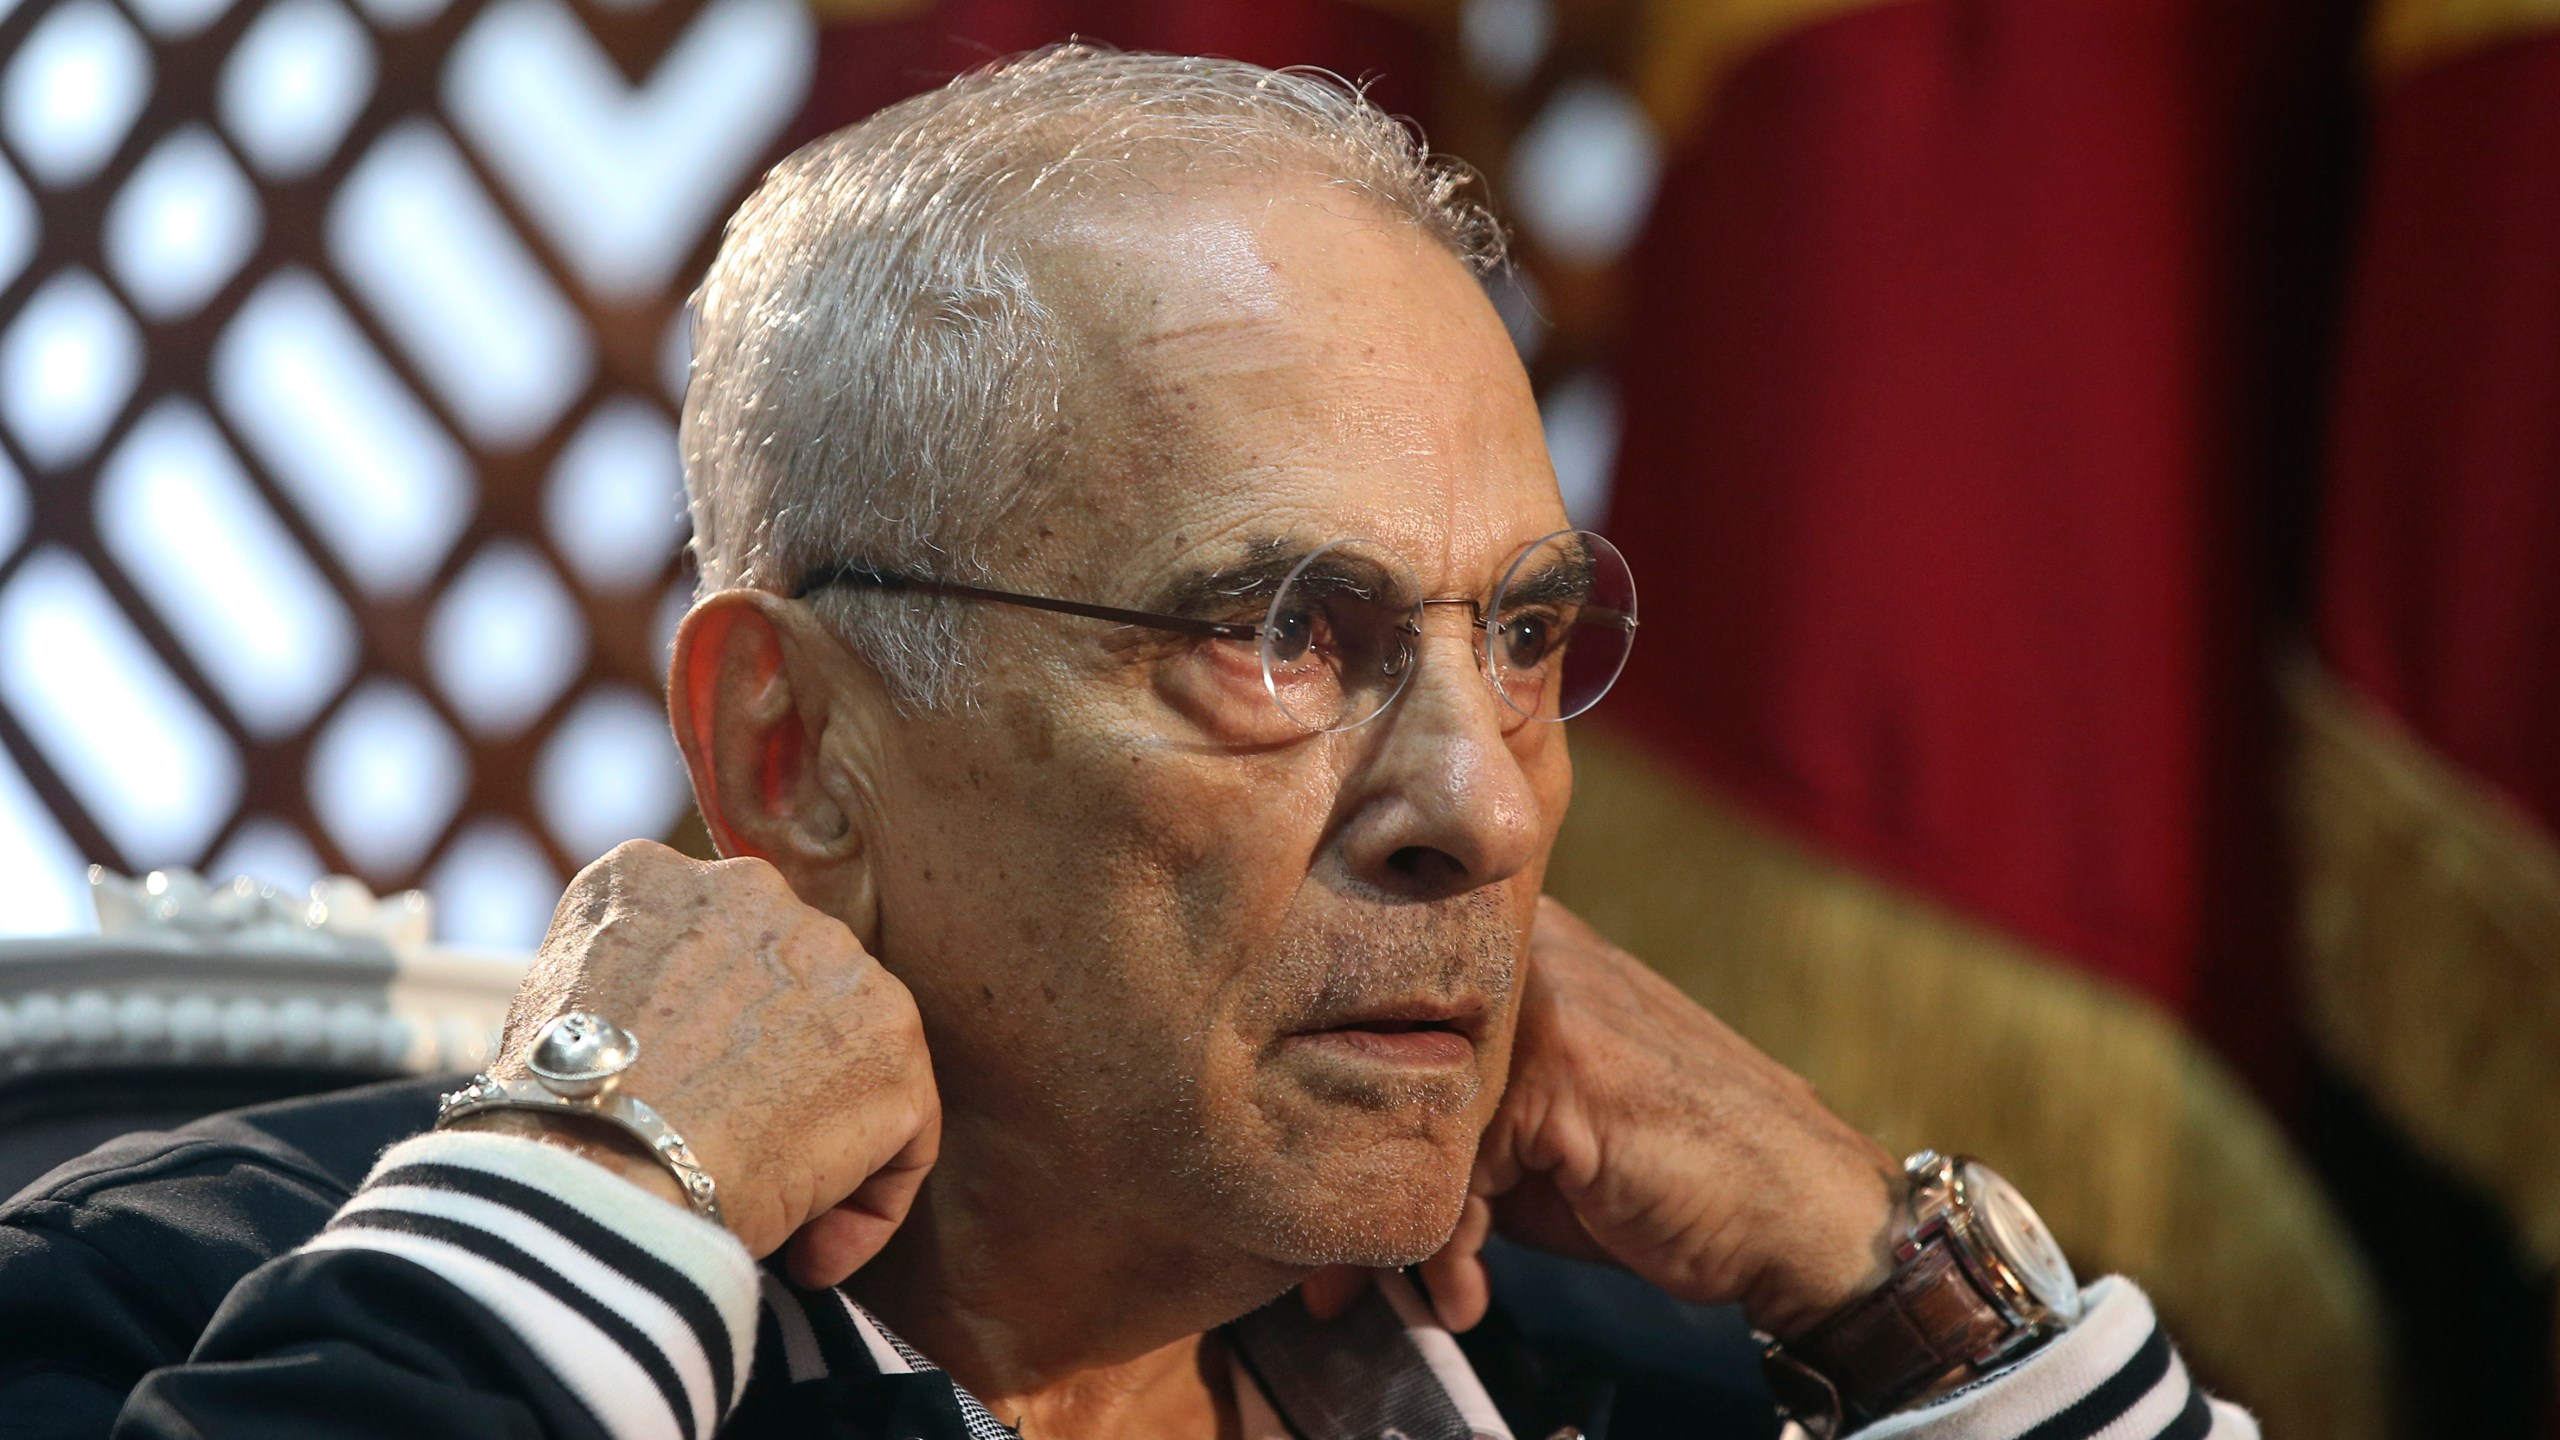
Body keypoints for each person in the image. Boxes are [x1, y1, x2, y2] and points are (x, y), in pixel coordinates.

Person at [0, 46, 2250, 1440]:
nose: (1475, 806)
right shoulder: (171, 1317)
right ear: (787, 749)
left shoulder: (1665, 1383)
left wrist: (1887, 1289)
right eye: (1281, 633)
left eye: (1530, 635)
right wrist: (605, 1193)